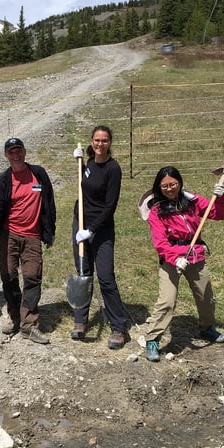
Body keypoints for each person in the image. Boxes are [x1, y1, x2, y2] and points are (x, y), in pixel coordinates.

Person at [143, 166, 224, 362]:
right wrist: (175, 258)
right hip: (171, 258)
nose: (169, 188)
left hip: (195, 256)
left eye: (173, 184)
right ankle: (152, 339)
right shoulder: (156, 211)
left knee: (206, 297)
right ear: (158, 187)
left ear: (180, 183)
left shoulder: (192, 202)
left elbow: (220, 213)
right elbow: (160, 243)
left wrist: (222, 197)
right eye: (164, 186)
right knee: (167, 300)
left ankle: (207, 328)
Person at [0, 137, 56, 345]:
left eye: (19, 151)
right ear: (6, 156)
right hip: (9, 234)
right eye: (11, 152)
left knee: (32, 277)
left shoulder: (38, 174)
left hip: (32, 235)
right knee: (8, 276)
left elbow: (49, 203)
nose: (16, 155)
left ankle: (29, 325)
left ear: (24, 152)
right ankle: (15, 317)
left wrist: (49, 230)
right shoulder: (4, 180)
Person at [71, 125, 130, 350]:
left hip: (101, 229)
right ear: (91, 141)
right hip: (80, 224)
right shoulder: (89, 163)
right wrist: (79, 162)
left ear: (110, 143)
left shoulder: (113, 169)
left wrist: (92, 230)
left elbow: (110, 206)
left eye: (104, 140)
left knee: (105, 277)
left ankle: (118, 326)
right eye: (96, 140)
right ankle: (80, 319)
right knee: (84, 273)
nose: (100, 144)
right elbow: (84, 186)